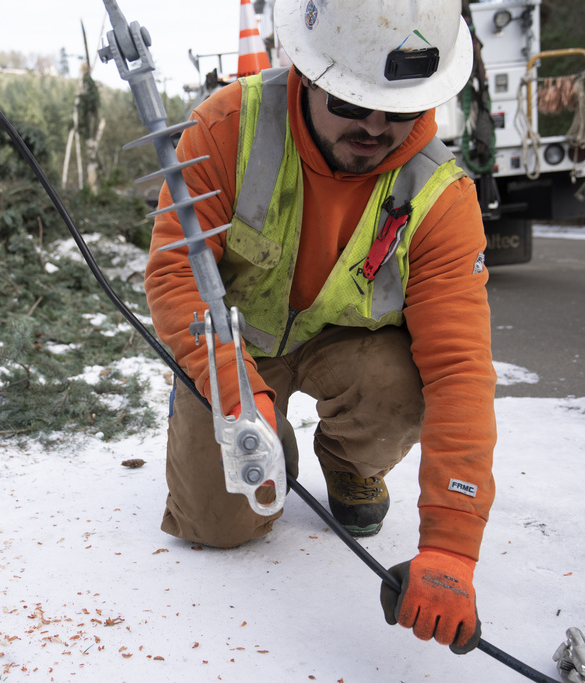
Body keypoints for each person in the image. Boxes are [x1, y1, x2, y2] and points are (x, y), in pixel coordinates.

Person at [144, 0, 495, 654]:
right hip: (239, 345)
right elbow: (174, 275)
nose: (375, 128)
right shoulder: (229, 127)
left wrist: (451, 544)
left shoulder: (442, 196)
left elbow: (460, 370)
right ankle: (258, 421)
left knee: (402, 381)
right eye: (352, 104)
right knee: (219, 525)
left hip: (350, 352)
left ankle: (351, 463)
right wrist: (239, 399)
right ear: (309, 73)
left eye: (400, 111)